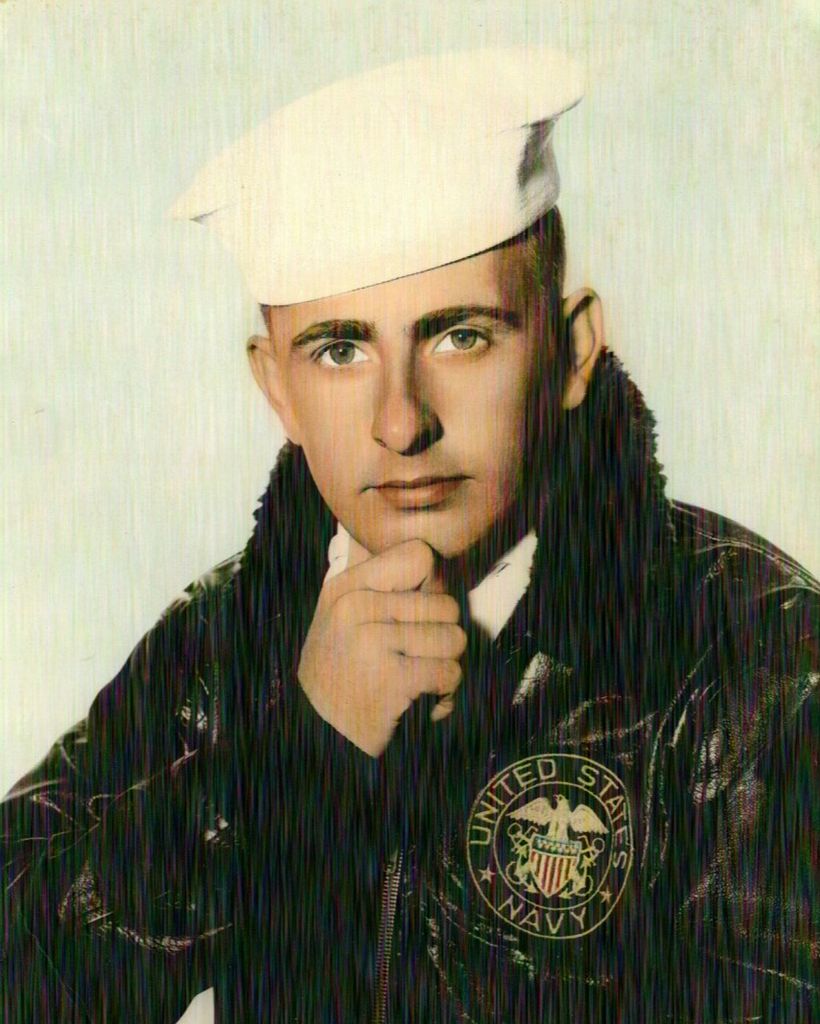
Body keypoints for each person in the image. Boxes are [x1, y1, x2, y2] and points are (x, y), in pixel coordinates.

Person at [1, 48, 817, 1023]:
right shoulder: (224, 642)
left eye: (459, 335)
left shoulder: (752, 659)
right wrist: (294, 762)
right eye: (340, 349)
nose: (400, 421)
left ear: (571, 353)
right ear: (277, 388)